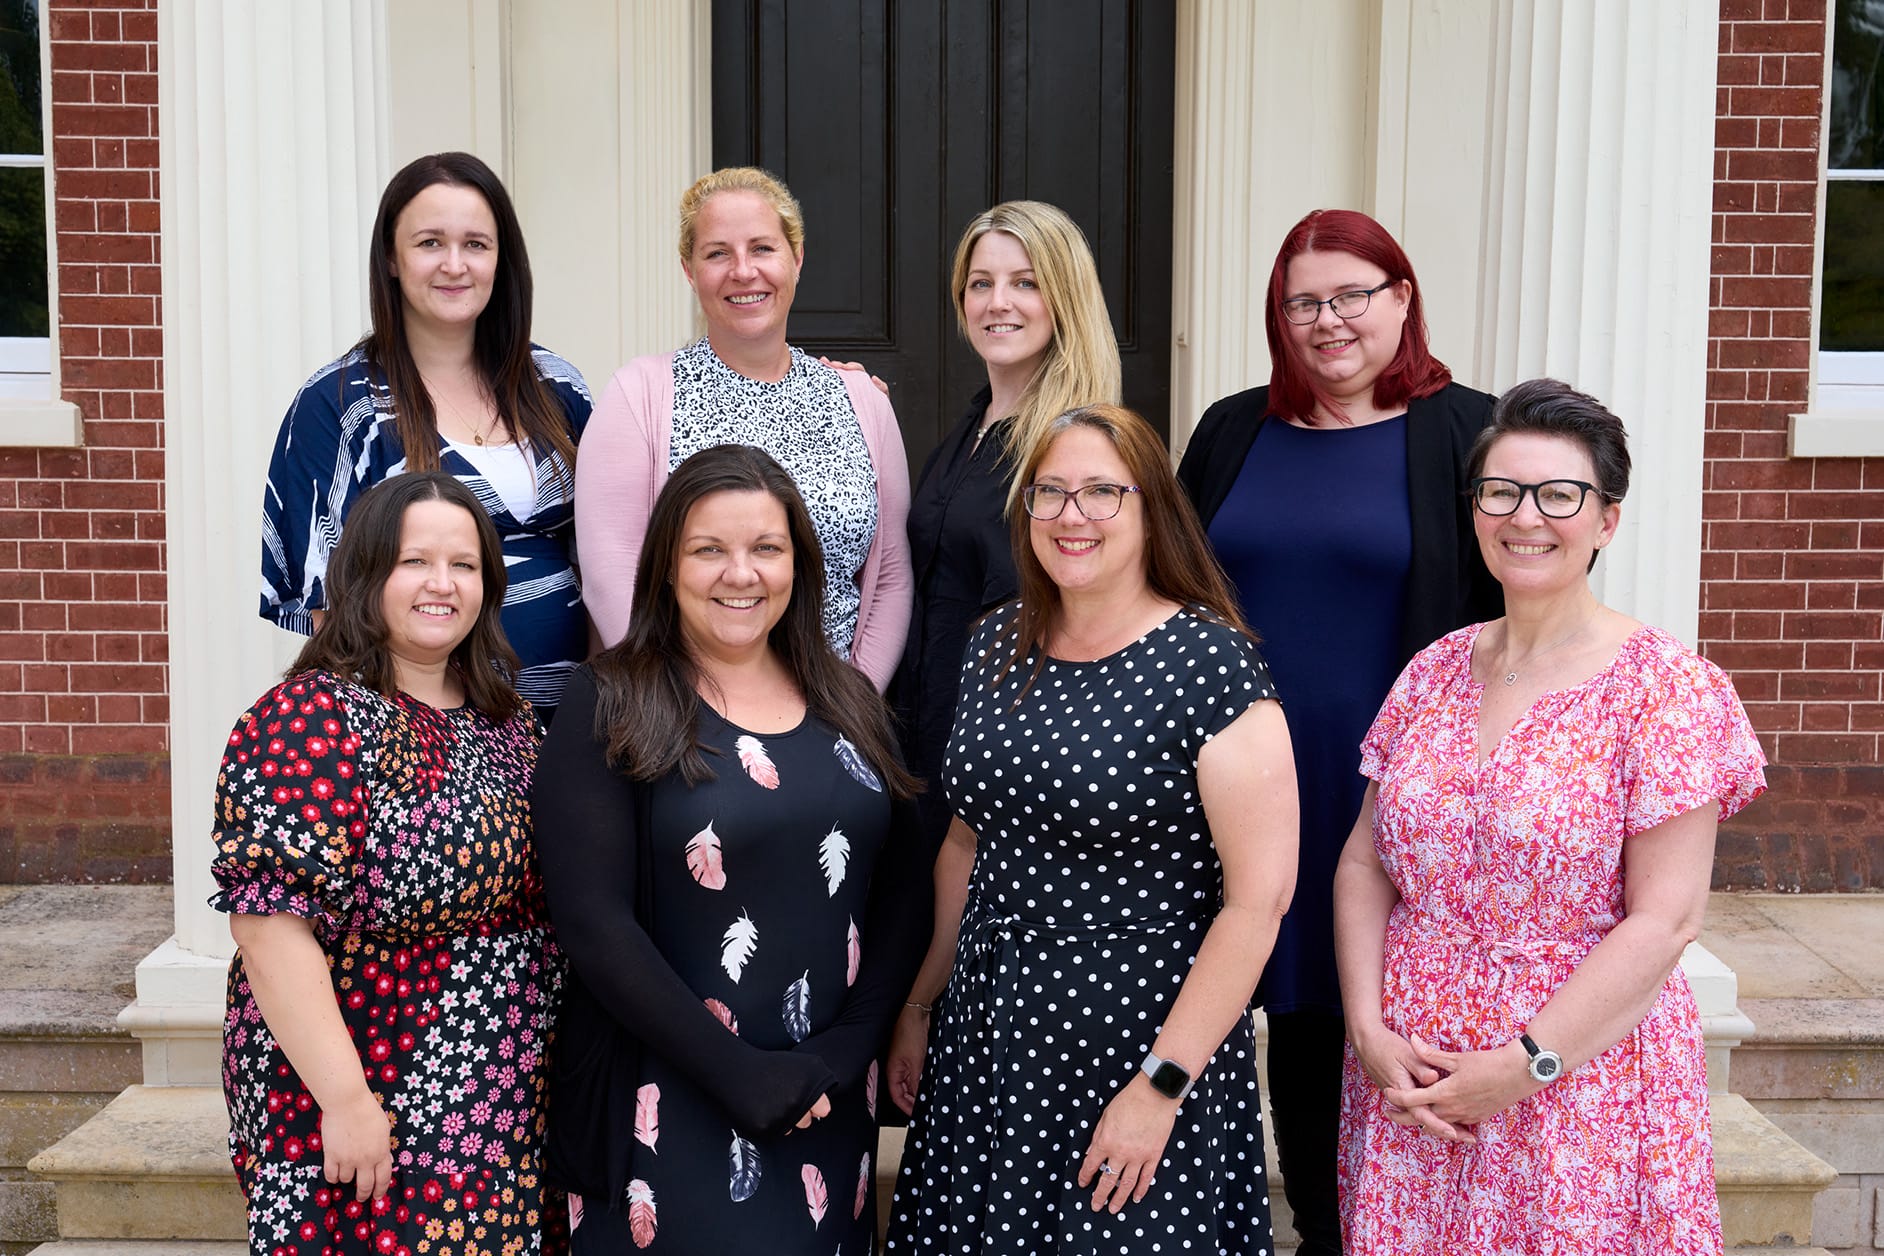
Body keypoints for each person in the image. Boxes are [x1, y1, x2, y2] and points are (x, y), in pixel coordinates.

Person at [1333, 379, 1767, 1254]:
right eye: (1502, 491)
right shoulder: (1433, 672)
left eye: (1559, 495)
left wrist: (1521, 1065)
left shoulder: (1667, 690)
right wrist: (1367, 1029)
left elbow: (1667, 919)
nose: (1526, 517)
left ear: (1606, 519)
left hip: (1579, 1087)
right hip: (1413, 1083)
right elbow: (1363, 866)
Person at [885, 403, 1299, 1254]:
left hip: (1139, 1042)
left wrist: (1160, 1086)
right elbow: (968, 841)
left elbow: (1256, 907)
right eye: (1051, 493)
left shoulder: (1211, 664)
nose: (1073, 516)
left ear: (1152, 508)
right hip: (990, 1041)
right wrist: (923, 1002)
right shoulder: (997, 642)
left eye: (1103, 492)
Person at [1174, 206, 1501, 1256]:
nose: (1327, 321)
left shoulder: (1467, 432)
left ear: (1401, 298)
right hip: (1240, 777)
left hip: (1390, 784)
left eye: (1351, 295)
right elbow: (1171, 591)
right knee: (1271, 1003)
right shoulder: (1233, 429)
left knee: (1372, 1008)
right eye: (1303, 301)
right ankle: (1309, 1224)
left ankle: (1388, 1226)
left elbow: (1523, 605)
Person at [534, 444, 930, 1253]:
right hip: (666, 1096)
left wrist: (846, 1049)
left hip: (826, 1100)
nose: (739, 573)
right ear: (667, 565)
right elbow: (591, 922)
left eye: (766, 548)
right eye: (709, 549)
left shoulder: (848, 698)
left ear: (801, 564)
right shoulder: (609, 699)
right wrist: (740, 1075)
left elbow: (900, 889)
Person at [214, 471, 563, 1255]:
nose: (442, 584)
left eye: (464, 566)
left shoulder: (506, 721)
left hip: (499, 1093)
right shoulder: (310, 715)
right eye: (414, 562)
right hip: (371, 1081)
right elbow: (268, 926)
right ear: (365, 574)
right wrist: (346, 1101)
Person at [261, 151, 592, 723]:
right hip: (422, 731)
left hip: (573, 724)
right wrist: (410, 725)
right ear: (391, 258)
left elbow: (608, 548)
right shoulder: (339, 405)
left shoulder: (555, 385)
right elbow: (320, 602)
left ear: (501, 259)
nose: (455, 265)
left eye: (476, 244)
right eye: (430, 243)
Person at [575, 167, 912, 689]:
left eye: (762, 248)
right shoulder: (637, 397)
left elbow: (889, 576)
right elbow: (613, 575)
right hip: (683, 719)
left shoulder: (861, 401)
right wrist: (690, 709)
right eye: (717, 253)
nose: (743, 270)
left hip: (832, 715)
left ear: (796, 259)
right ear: (689, 269)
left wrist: (853, 704)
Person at [888, 200, 1121, 859]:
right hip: (926, 737)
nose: (998, 302)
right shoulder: (972, 430)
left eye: (1025, 282)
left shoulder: (1079, 447)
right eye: (981, 283)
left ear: (1064, 298)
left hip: (1008, 759)